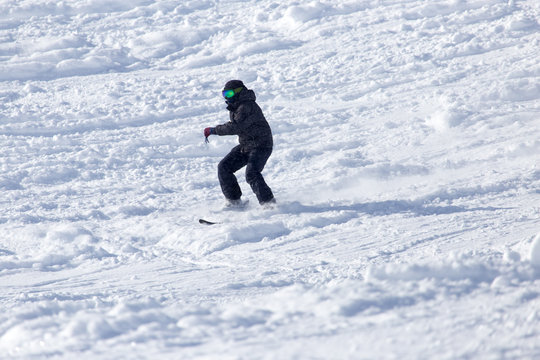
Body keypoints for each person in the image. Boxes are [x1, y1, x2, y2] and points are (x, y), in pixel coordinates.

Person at [204, 80, 276, 207]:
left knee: (252, 173)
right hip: (247, 145)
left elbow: (235, 127)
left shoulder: (247, 106)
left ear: (239, 92)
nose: (227, 97)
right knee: (224, 167)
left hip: (261, 145)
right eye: (224, 94)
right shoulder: (236, 107)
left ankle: (269, 204)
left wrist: (214, 130)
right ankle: (234, 202)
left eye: (230, 93)